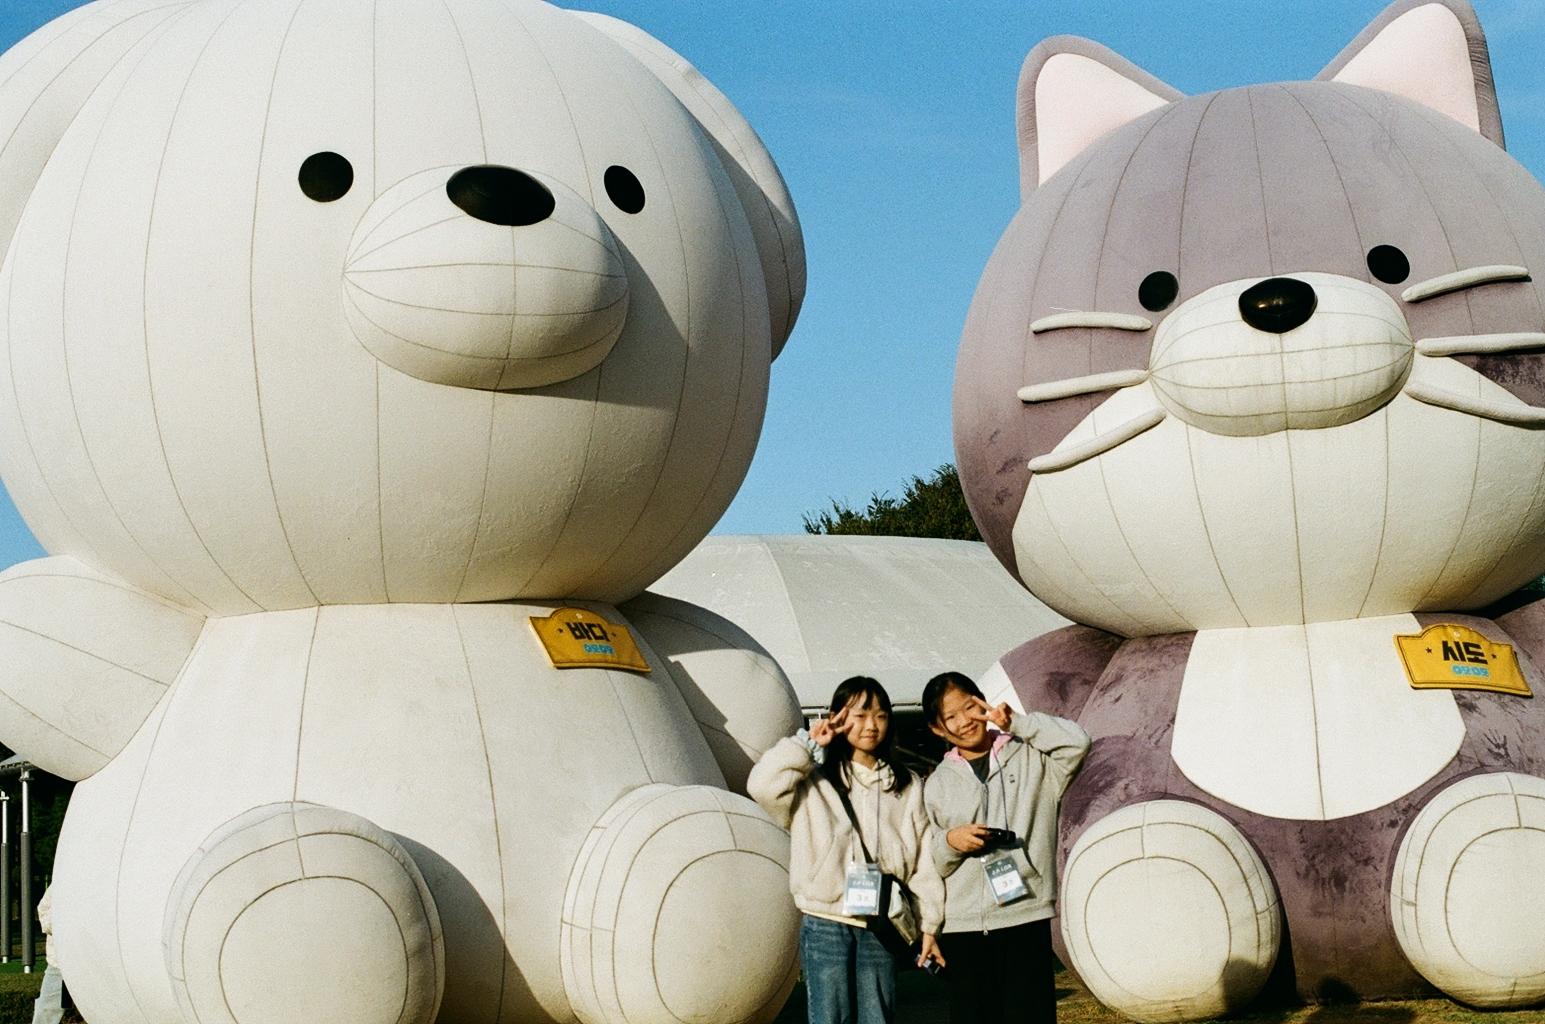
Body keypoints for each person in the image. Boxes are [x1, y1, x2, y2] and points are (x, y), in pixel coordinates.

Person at [748, 676, 945, 1024]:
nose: (871, 725)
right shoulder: (812, 779)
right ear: (838, 718)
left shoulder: (907, 784)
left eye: (880, 715)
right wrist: (806, 742)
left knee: (878, 1017)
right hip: (826, 920)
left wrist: (930, 926)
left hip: (882, 922)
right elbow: (761, 786)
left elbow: (922, 863)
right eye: (859, 714)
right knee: (829, 1018)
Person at [922, 670, 1090, 1024]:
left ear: (983, 702)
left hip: (1024, 912)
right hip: (963, 925)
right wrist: (951, 841)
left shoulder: (1031, 758)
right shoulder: (936, 784)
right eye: (950, 716)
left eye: (969, 707)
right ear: (938, 729)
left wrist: (1018, 723)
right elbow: (927, 859)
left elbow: (1077, 743)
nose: (965, 720)